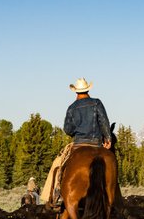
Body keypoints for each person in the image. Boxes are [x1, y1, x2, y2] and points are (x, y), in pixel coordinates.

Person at [41, 78, 112, 209]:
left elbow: (68, 129)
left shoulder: (72, 108)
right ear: (88, 90)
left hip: (79, 144)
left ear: (76, 92)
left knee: (58, 166)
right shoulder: (97, 103)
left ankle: (56, 195)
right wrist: (107, 138)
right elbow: (104, 121)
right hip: (96, 143)